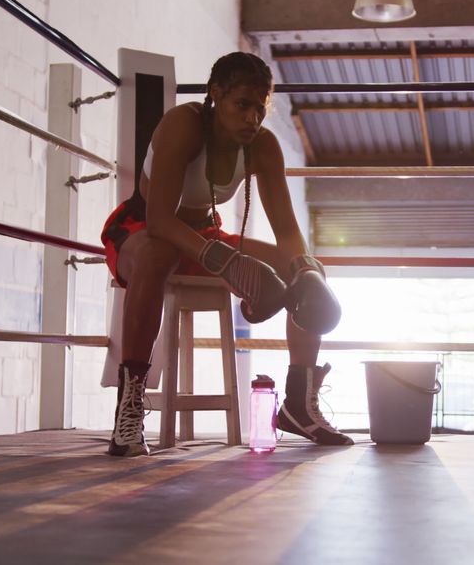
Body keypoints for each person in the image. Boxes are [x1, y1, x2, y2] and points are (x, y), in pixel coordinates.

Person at [100, 52, 350, 456]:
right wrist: (227, 263)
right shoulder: (184, 125)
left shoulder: (262, 147)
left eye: (260, 108)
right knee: (157, 255)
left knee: (305, 269)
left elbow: (286, 230)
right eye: (242, 105)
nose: (253, 118)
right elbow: (161, 221)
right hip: (142, 230)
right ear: (215, 95)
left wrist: (304, 270)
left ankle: (297, 404)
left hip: (204, 235)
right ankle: (129, 409)